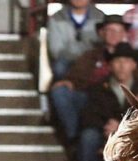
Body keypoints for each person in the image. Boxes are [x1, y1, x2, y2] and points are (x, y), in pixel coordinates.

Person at [52, 15, 132, 148]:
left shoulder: (133, 56)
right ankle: (74, 137)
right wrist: (69, 81)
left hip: (120, 103)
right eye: (109, 30)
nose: (113, 35)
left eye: (118, 31)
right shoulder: (90, 55)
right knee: (60, 92)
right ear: (102, 33)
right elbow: (76, 75)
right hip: (91, 101)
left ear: (124, 34)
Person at [78, 41, 138, 161]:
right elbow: (88, 115)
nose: (121, 65)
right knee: (88, 138)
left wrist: (121, 127)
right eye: (117, 61)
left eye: (126, 61)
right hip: (104, 134)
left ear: (134, 65)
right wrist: (107, 128)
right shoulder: (98, 88)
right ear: (111, 65)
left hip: (135, 135)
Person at [46, 0, 104, 83]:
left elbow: (101, 45)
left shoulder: (99, 17)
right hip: (67, 61)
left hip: (92, 60)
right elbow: (55, 50)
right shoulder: (57, 18)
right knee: (59, 68)